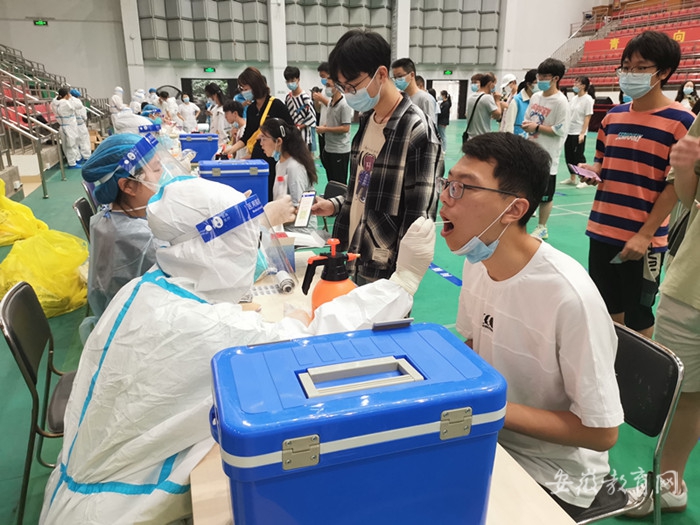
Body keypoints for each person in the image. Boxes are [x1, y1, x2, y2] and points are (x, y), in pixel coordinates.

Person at [40, 172, 435, 525]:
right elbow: (308, 346)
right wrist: (401, 284)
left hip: (92, 484)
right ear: (211, 247)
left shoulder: (150, 288)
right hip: (117, 511)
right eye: (245, 240)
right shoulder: (197, 326)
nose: (252, 251)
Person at [438, 132, 623, 521]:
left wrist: (488, 408)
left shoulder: (569, 297)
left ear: (514, 209)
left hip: (555, 474)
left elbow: (602, 432)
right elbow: (474, 345)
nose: (445, 198)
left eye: (463, 187)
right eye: (448, 182)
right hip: (490, 438)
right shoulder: (478, 263)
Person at [581, 30, 695, 337]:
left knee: (639, 315)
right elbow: (602, 162)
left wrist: (645, 235)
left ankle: (638, 366)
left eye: (641, 68)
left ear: (664, 72)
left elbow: (674, 186)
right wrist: (592, 171)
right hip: (602, 229)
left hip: (643, 240)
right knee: (607, 307)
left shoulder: (682, 121)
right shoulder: (613, 117)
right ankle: (613, 362)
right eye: (626, 67)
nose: (631, 74)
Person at [311, 29, 443, 283]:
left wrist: (400, 281)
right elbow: (363, 190)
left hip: (385, 268)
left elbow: (419, 221)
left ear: (381, 74)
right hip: (354, 253)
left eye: (352, 86)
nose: (348, 94)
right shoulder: (368, 120)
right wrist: (335, 205)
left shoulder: (417, 130)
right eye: (343, 87)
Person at [79, 134, 162, 317]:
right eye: (156, 169)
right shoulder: (144, 240)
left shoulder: (110, 215)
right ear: (128, 186)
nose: (162, 176)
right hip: (139, 322)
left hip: (118, 315)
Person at [225, 67, 294, 200]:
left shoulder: (276, 105)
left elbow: (291, 131)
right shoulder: (251, 109)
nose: (244, 92)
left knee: (275, 195)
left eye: (246, 89)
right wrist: (231, 149)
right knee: (260, 195)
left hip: (274, 159)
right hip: (258, 159)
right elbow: (247, 136)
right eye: (242, 89)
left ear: (255, 86)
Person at [521, 58, 570, 241]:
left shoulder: (561, 102)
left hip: (548, 155)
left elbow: (560, 130)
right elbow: (528, 118)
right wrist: (528, 126)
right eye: (539, 75)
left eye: (544, 76)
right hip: (530, 151)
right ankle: (522, 221)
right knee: (528, 189)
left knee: (545, 196)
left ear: (556, 78)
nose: (540, 79)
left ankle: (542, 227)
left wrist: (536, 127)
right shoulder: (536, 97)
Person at [259, 118, 318, 235]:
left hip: (299, 231)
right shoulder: (279, 164)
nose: (261, 143)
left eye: (264, 139)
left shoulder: (294, 167)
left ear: (278, 141)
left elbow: (298, 210)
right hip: (283, 227)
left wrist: (268, 222)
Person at [315, 77, 353, 185]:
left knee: (339, 184)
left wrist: (325, 129)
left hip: (340, 151)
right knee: (331, 182)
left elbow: (345, 128)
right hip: (329, 149)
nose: (326, 88)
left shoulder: (344, 105)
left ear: (337, 87)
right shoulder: (330, 103)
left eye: (328, 86)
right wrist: (322, 127)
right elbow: (332, 122)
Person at [562, 76, 595, 187]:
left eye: (578, 83)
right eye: (575, 82)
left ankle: (584, 178)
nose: (575, 85)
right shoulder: (574, 98)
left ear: (584, 86)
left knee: (578, 156)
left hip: (579, 131)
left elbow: (587, 117)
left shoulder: (588, 99)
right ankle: (572, 178)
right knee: (569, 155)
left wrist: (582, 133)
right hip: (569, 131)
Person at [391, 58, 436, 124]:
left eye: (399, 76)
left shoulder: (425, 99)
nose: (397, 80)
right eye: (395, 78)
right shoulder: (401, 98)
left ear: (412, 75)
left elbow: (430, 126)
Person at [284, 66, 317, 151]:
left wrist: (299, 127)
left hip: (305, 138)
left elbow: (312, 117)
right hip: (291, 137)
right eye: (288, 81)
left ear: (298, 79)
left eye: (292, 80)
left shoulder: (305, 98)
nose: (290, 83)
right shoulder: (288, 98)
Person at [502, 69, 538, 138]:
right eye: (537, 83)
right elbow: (509, 126)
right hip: (518, 141)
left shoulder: (538, 100)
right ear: (528, 84)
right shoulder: (516, 101)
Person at [464, 73, 502, 140]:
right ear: (490, 84)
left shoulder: (471, 97)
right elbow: (497, 115)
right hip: (482, 138)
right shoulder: (487, 97)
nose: (494, 87)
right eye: (494, 84)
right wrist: (497, 101)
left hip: (470, 138)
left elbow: (467, 114)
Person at [53, 88, 81, 168]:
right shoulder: (66, 103)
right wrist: (71, 98)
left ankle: (73, 160)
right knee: (71, 145)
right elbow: (79, 105)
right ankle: (72, 163)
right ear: (66, 95)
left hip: (62, 126)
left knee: (66, 145)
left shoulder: (54, 103)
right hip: (69, 126)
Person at [68, 89, 92, 162]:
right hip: (81, 125)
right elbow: (84, 117)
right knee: (84, 141)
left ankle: (78, 158)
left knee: (75, 142)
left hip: (72, 126)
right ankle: (86, 156)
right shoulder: (79, 104)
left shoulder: (68, 103)